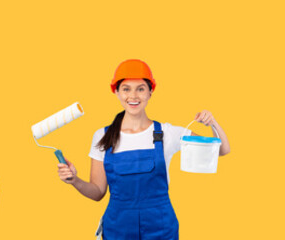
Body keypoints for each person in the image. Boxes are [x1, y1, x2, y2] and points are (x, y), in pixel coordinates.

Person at [56, 59, 232, 239]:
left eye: (140, 88)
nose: (133, 96)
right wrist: (75, 180)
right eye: (126, 89)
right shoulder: (102, 136)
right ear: (116, 92)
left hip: (161, 229)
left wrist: (213, 123)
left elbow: (222, 149)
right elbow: (97, 192)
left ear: (150, 92)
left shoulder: (167, 133)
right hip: (118, 230)